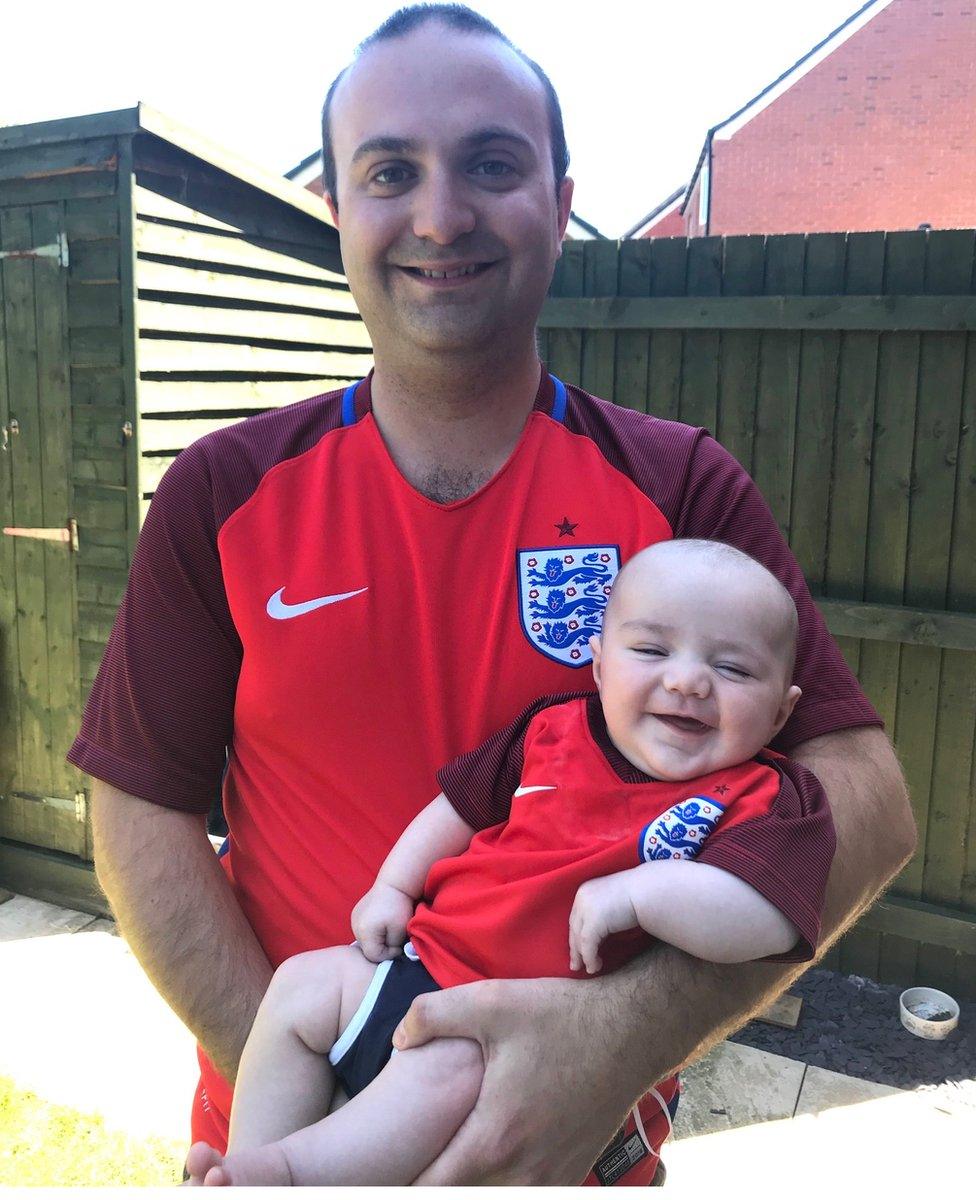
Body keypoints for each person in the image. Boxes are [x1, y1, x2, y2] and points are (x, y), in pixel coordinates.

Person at [71, 4, 915, 1186]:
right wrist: (343, 1112)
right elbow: (139, 818)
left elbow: (866, 801)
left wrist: (605, 1051)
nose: (439, 213)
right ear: (338, 213)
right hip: (279, 1150)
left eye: (490, 164)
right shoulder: (226, 490)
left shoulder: (678, 490)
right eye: (389, 171)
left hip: (571, 1159)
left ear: (561, 203)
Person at [184, 540, 834, 1186]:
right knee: (301, 986)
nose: (688, 680)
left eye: (734, 670)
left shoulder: (762, 798)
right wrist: (393, 885)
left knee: (439, 1076)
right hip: (419, 963)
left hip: (511, 1034)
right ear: (600, 667)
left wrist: (641, 896)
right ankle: (254, 1155)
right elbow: (455, 810)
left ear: (782, 710)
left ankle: (288, 1173)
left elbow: (766, 922)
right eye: (653, 650)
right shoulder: (554, 732)